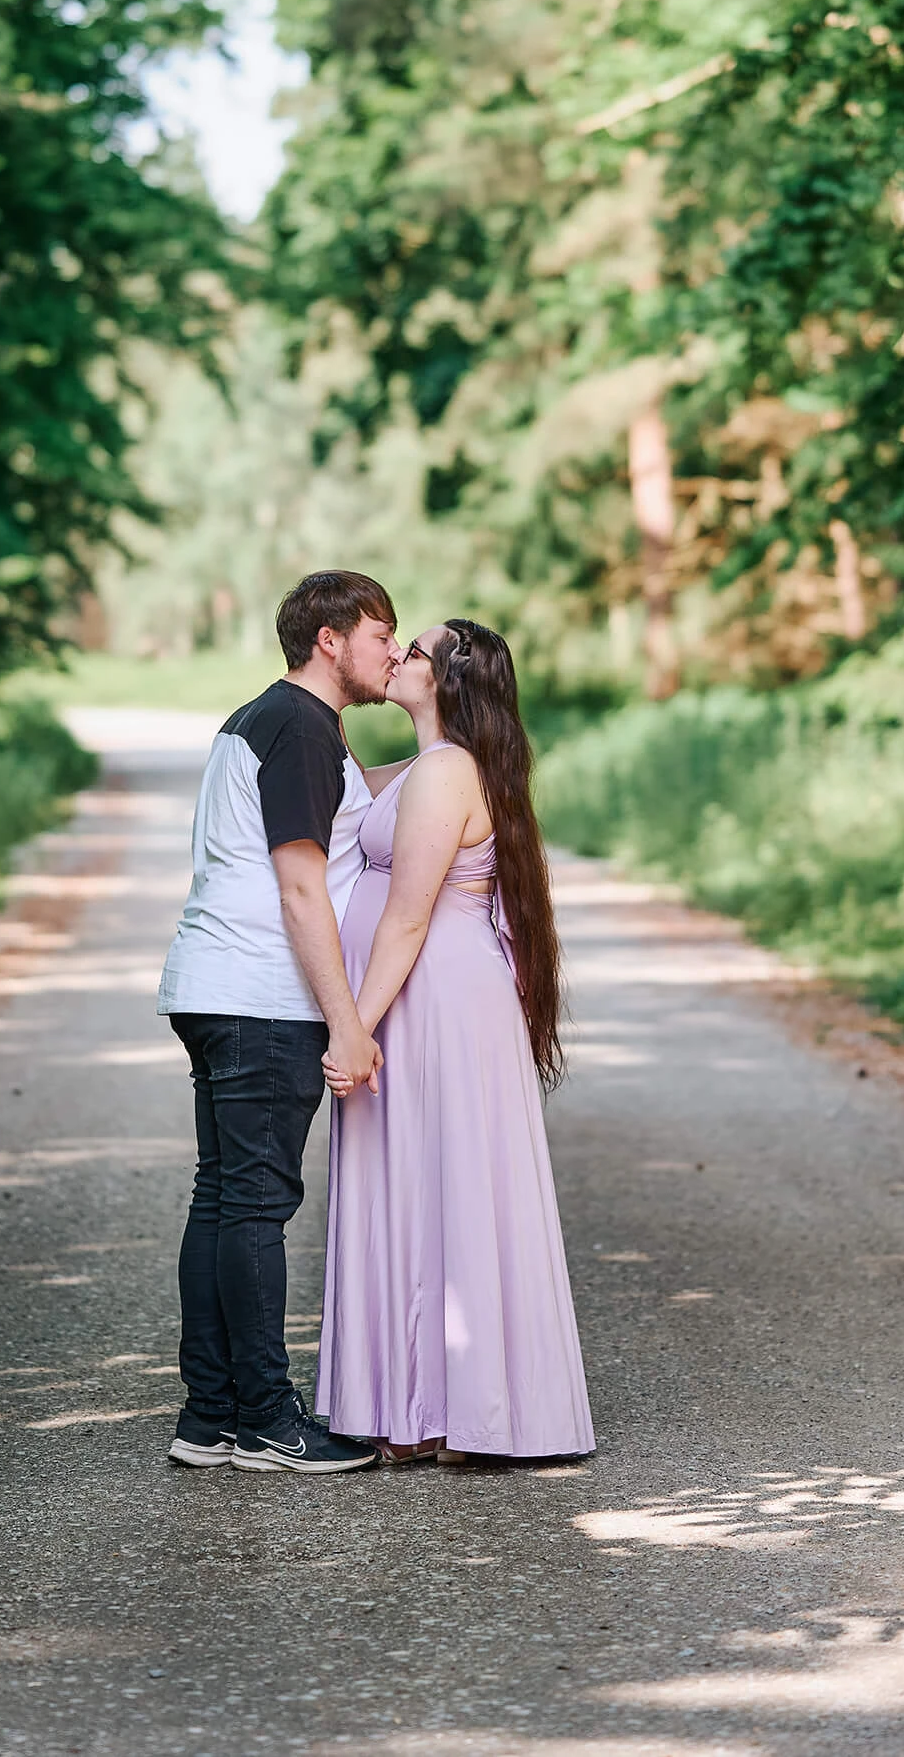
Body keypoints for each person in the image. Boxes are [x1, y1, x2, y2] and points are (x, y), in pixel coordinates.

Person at [316, 618, 595, 1463]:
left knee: (442, 1183)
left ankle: (458, 1412)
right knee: (424, 1184)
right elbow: (342, 783)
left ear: (445, 680)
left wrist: (353, 1028)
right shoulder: (424, 766)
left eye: (413, 651)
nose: (397, 656)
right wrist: (321, 692)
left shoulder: (445, 773)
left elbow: (407, 918)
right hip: (422, 994)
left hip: (431, 998)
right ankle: (427, 1408)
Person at [157, 569, 400, 1474]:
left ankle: (210, 1417)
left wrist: (450, 754)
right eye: (381, 634)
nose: (393, 652)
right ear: (329, 639)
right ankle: (264, 1419)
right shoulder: (300, 728)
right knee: (256, 1206)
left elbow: (351, 803)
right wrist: (347, 1023)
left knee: (223, 1198)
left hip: (213, 986)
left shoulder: (271, 718)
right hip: (263, 995)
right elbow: (302, 888)